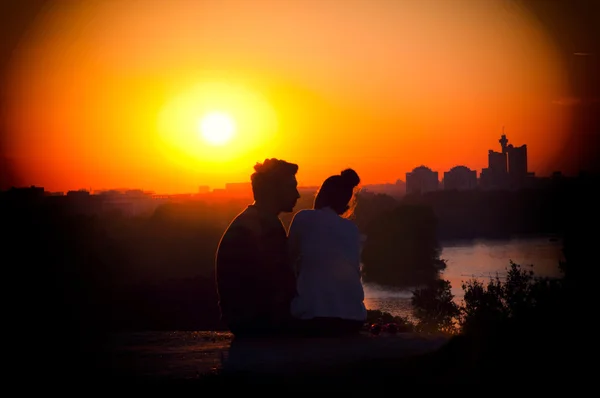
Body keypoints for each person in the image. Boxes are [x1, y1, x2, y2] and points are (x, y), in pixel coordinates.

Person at [215, 158, 301, 338]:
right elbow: (281, 286)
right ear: (273, 191)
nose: (297, 195)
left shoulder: (252, 219)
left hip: (244, 320)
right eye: (291, 187)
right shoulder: (266, 225)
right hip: (258, 324)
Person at [288, 168, 367, 337]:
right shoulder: (352, 229)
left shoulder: (304, 218)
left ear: (321, 195)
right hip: (354, 320)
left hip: (315, 319)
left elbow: (287, 261)